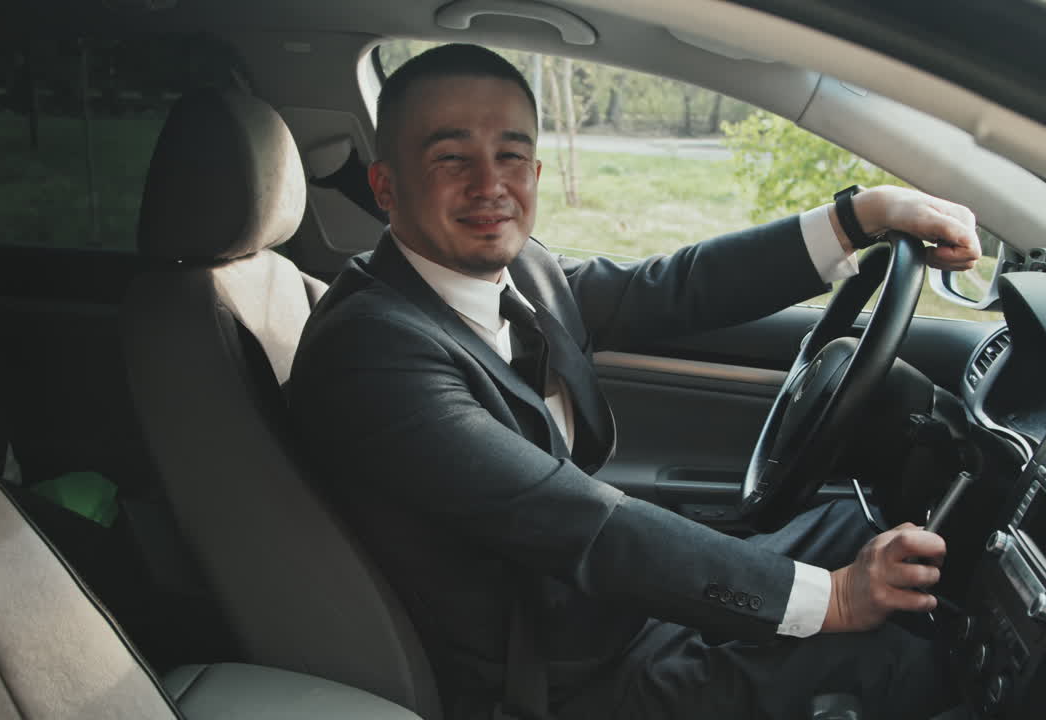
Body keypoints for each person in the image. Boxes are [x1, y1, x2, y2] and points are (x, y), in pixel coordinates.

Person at [289, 43, 981, 720]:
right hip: (555, 676)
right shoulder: (370, 349)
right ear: (386, 186)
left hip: (602, 611)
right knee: (898, 655)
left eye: (511, 156)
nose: (490, 185)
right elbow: (577, 522)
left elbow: (675, 288)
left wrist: (858, 217)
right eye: (451, 158)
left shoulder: (519, 271)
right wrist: (833, 600)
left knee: (850, 524)